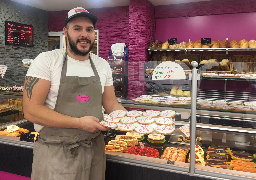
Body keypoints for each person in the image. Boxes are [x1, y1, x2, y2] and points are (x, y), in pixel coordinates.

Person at [23, 7, 126, 180]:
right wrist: (78, 123)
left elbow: (111, 103)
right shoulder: (47, 61)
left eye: (89, 29)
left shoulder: (102, 65)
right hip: (56, 152)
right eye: (77, 28)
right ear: (65, 32)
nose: (84, 34)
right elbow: (31, 110)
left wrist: (129, 120)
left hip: (95, 151)